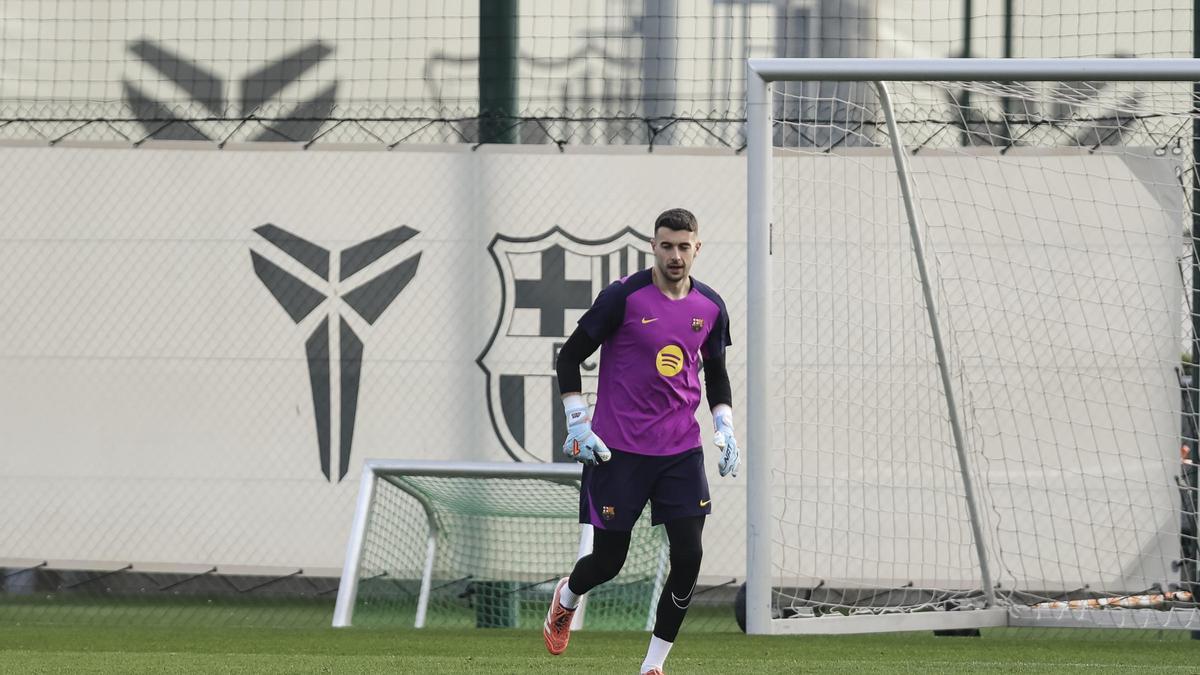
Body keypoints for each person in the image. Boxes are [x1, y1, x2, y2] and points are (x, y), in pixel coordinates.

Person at [544, 208, 740, 675]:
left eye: (684, 246)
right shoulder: (622, 297)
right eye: (667, 245)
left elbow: (716, 373)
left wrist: (725, 423)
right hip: (618, 452)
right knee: (608, 562)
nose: (675, 255)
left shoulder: (711, 307)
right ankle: (567, 595)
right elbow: (569, 357)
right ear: (653, 246)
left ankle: (653, 666)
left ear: (697, 248)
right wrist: (578, 422)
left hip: (680, 451)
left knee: (689, 556)